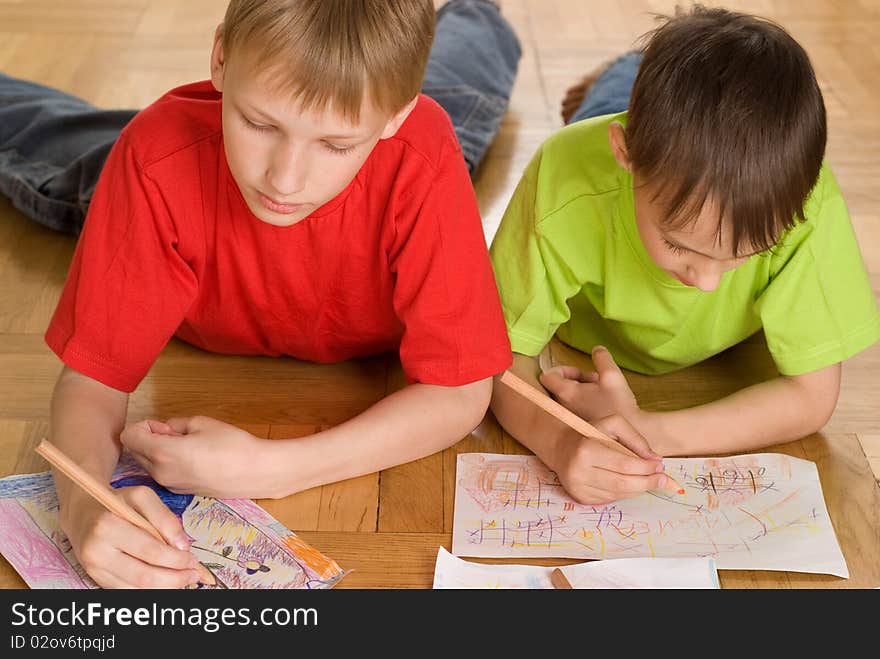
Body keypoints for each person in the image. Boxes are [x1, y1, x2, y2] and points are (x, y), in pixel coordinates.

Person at [0, 0, 522, 588]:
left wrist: (274, 469)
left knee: (465, 88)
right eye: (260, 123)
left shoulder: (419, 152)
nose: (285, 180)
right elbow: (92, 379)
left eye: (336, 144)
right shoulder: (155, 160)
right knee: (52, 148)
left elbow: (458, 393)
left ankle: (477, 11)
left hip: (412, 142)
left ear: (394, 117)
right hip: (169, 147)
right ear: (219, 58)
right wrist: (85, 501)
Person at [488, 6, 880, 507]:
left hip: (644, 153)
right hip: (604, 160)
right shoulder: (562, 179)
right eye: (679, 244)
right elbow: (494, 361)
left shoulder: (807, 201)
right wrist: (559, 439)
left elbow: (811, 396)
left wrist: (651, 431)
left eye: (750, 252)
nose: (708, 283)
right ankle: (618, 76)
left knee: (629, 107)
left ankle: (624, 76)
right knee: (604, 112)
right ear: (624, 154)